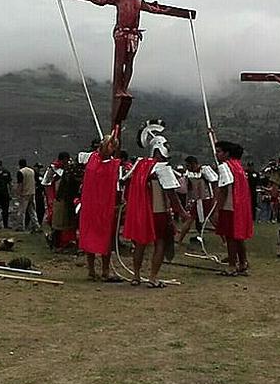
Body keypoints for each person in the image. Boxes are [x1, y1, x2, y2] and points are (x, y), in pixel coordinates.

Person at [81, 0, 173, 127]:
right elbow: (103, 1)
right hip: (121, 33)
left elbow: (151, 9)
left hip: (133, 34)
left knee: (129, 63)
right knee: (119, 62)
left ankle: (124, 88)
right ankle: (118, 88)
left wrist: (163, 10)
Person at [121, 123, 190, 287]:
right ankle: (152, 277)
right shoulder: (162, 168)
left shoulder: (139, 166)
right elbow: (172, 194)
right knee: (160, 243)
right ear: (159, 147)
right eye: (165, 145)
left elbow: (125, 180)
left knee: (140, 243)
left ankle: (136, 276)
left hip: (141, 212)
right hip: (158, 213)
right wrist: (182, 212)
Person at [79, 135, 124, 282]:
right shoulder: (89, 158)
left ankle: (105, 270)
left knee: (106, 238)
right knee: (89, 236)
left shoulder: (114, 165)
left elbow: (117, 186)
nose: (112, 149)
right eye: (110, 146)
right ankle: (91, 270)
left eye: (114, 147)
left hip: (105, 206)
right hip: (90, 205)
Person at [213, 141, 255, 275]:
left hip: (229, 206)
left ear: (226, 153)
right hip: (239, 205)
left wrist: (217, 207)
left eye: (219, 151)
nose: (216, 154)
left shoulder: (225, 166)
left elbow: (224, 189)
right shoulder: (238, 166)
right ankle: (243, 262)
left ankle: (232, 265)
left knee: (230, 237)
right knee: (238, 237)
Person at [175, 156, 217, 245]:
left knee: (213, 219)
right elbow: (189, 189)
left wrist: (215, 199)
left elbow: (214, 183)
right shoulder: (188, 173)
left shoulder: (205, 170)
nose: (187, 167)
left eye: (188, 165)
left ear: (193, 164)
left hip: (206, 199)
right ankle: (180, 240)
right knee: (190, 219)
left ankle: (225, 239)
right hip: (196, 200)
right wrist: (188, 202)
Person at [50, 152, 84, 250]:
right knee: (59, 223)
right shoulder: (72, 170)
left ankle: (68, 242)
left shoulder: (71, 169)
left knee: (68, 223)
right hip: (63, 198)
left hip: (68, 199)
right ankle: (56, 245)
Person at [16, 159, 38, 232]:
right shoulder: (32, 171)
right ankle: (35, 225)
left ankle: (20, 226)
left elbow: (20, 184)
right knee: (32, 211)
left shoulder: (21, 172)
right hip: (32, 192)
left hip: (24, 194)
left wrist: (18, 193)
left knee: (21, 211)